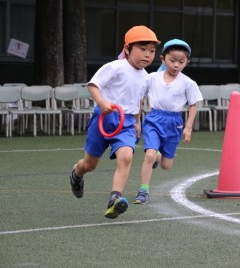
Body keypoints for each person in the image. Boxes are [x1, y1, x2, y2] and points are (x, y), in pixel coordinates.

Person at [69, 25, 160, 219]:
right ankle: (77, 174)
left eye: (152, 51)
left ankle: (114, 199)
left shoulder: (146, 78)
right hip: (104, 117)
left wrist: (136, 122)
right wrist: (102, 103)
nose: (147, 55)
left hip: (126, 122)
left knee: (126, 156)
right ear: (127, 49)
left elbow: (138, 100)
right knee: (90, 164)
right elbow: (93, 85)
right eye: (142, 49)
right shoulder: (115, 67)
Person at [133, 39, 203, 204]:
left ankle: (158, 156)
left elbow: (193, 104)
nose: (176, 65)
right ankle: (143, 191)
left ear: (187, 62)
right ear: (163, 59)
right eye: (172, 61)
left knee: (166, 165)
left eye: (181, 62)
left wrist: (188, 127)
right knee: (148, 155)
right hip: (154, 120)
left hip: (174, 123)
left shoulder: (188, 83)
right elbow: (139, 99)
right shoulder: (152, 78)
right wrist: (136, 121)